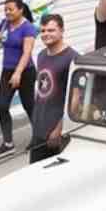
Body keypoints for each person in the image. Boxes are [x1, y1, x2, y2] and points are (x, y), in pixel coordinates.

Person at [0, 0, 38, 157]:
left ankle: (39, 138)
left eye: (10, 9)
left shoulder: (28, 28)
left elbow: (27, 52)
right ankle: (8, 144)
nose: (7, 12)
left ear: (20, 9)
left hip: (25, 72)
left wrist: (18, 73)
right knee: (1, 105)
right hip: (7, 71)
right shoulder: (4, 24)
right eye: (5, 9)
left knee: (29, 105)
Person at [28, 15, 79, 164]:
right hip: (39, 128)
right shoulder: (41, 55)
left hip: (56, 132)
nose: (46, 34)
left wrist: (59, 129)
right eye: (43, 30)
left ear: (62, 31)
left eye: (51, 30)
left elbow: (76, 98)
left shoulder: (72, 58)